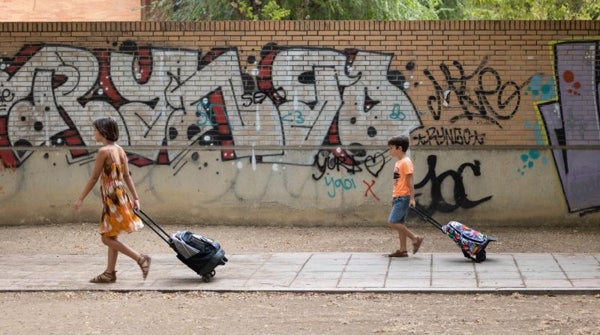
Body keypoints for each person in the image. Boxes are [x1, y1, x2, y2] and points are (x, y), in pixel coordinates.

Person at [74, 117, 151, 283]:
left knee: (106, 238)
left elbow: (94, 177)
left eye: (95, 130)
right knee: (112, 235)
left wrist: (80, 198)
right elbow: (127, 176)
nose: (93, 133)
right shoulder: (120, 150)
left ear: (103, 132)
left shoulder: (104, 152)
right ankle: (109, 273)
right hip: (120, 194)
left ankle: (140, 258)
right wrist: (135, 197)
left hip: (112, 198)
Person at [386, 135, 424, 257]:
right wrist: (394, 197)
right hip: (398, 196)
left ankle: (415, 238)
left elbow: (410, 181)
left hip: (403, 197)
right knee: (399, 223)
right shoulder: (398, 162)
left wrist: (412, 198)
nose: (390, 150)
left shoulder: (406, 162)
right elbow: (397, 182)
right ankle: (403, 250)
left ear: (399, 148)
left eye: (391, 148)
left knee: (392, 222)